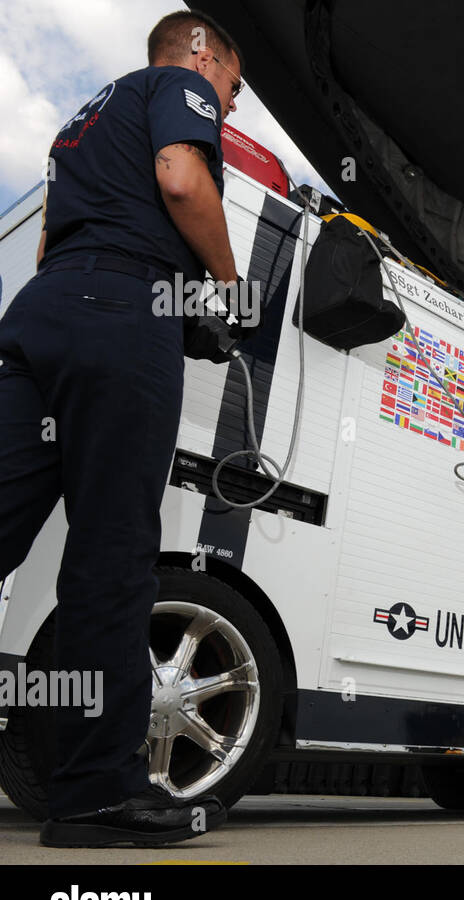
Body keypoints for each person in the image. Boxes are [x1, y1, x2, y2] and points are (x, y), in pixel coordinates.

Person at [0, 9, 250, 847]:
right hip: (120, 313)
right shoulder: (179, 84)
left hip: (40, 313)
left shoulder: (80, 122)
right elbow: (181, 179)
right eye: (236, 88)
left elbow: (49, 250)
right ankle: (95, 793)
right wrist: (226, 283)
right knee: (110, 559)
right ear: (204, 54)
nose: (233, 105)